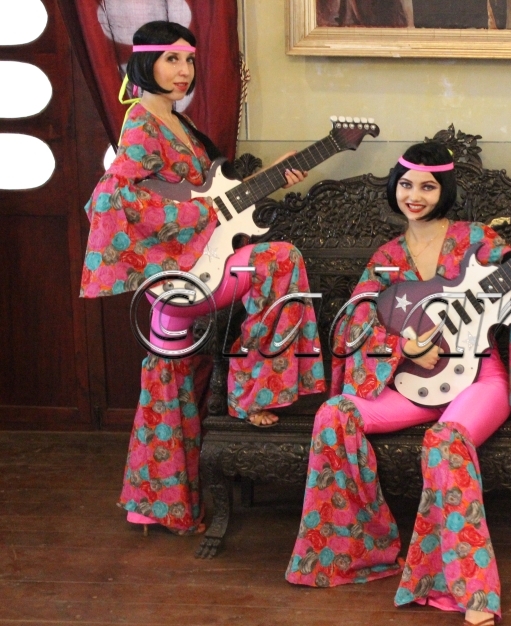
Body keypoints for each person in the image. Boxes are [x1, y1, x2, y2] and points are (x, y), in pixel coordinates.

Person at [285, 141, 511, 625]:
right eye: (406, 185)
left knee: (445, 442)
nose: (414, 195)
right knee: (334, 415)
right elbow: (355, 321)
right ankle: (360, 552)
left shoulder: (476, 240)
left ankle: (470, 590)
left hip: (480, 380)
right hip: (413, 386)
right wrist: (403, 346)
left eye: (428, 186)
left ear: (445, 191)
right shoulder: (387, 256)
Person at [80, 21, 326, 534]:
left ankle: (156, 505)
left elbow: (213, 197)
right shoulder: (141, 124)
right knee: (280, 260)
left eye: (189, 60)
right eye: (172, 59)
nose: (184, 71)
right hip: (181, 277)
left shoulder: (177, 123)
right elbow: (114, 199)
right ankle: (253, 392)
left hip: (201, 265)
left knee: (174, 383)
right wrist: (197, 218)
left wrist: (274, 173)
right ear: (144, 63)